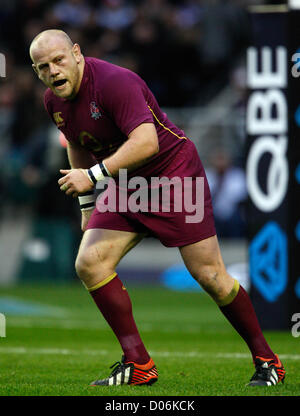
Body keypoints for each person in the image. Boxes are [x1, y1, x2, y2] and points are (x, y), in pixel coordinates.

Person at [29, 29, 285, 387]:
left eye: (58, 60)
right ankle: (139, 364)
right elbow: (77, 142)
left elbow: (147, 142)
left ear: (76, 53)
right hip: (127, 183)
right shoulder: (53, 101)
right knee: (90, 263)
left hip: (174, 176)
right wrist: (88, 204)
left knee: (211, 276)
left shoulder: (116, 82)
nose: (53, 71)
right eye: (43, 67)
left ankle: (268, 360)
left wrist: (94, 175)